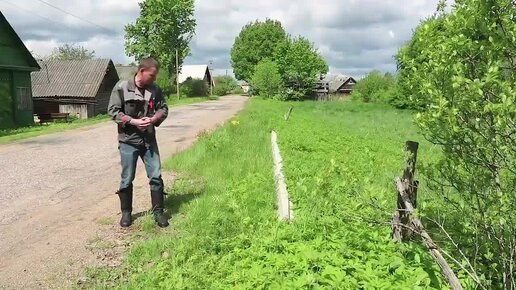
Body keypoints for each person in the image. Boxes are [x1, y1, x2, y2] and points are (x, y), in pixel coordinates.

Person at [108, 57, 169, 228]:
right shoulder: (122, 87)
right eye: (152, 75)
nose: (154, 79)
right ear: (141, 71)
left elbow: (163, 108)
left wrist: (153, 118)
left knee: (156, 176)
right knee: (127, 177)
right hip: (128, 140)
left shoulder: (155, 89)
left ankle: (158, 212)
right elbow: (113, 112)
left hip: (149, 140)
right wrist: (133, 121)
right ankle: (126, 212)